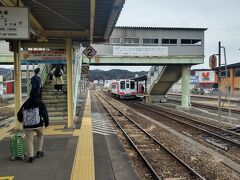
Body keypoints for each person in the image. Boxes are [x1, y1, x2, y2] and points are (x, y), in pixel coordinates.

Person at [17, 89, 49, 163]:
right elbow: (45, 114)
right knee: (40, 135)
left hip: (27, 126)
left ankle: (31, 157)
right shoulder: (40, 103)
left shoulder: (26, 103)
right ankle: (39, 152)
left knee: (29, 140)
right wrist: (46, 123)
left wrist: (22, 122)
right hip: (38, 125)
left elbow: (19, 114)